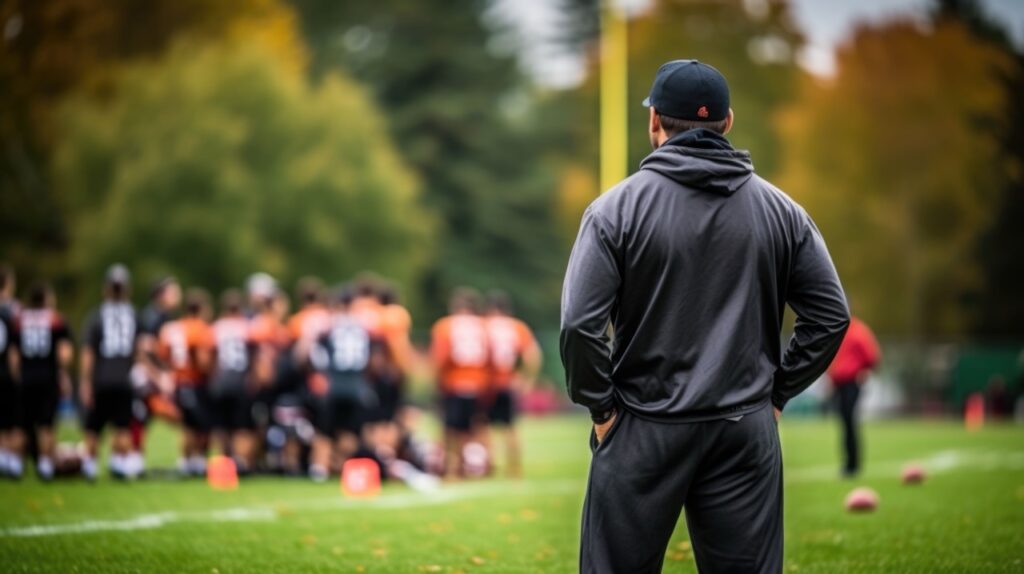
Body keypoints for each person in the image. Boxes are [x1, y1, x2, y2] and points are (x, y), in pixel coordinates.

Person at [560, 60, 850, 573]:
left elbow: (580, 325)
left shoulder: (614, 210)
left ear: (655, 123)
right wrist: (776, 393)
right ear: (728, 121)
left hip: (641, 425)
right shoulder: (784, 211)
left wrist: (602, 410)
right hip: (742, 427)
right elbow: (830, 316)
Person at [79, 264, 141, 480]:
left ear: (106, 288)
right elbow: (139, 350)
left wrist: (85, 381)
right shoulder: (133, 315)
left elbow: (88, 353)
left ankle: (90, 467)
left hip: (102, 377)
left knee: (93, 427)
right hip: (125, 378)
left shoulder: (96, 316)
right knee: (122, 426)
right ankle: (118, 464)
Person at [306, 288, 373, 481]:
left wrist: (321, 373)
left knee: (325, 431)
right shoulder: (363, 326)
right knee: (350, 431)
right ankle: (343, 468)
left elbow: (316, 353)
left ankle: (320, 469)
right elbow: (369, 357)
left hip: (333, 383)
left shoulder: (328, 325)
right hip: (355, 385)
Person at [11, 282, 74, 481]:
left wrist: (18, 377)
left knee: (22, 425)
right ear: (46, 298)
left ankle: (16, 465)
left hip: (27, 378)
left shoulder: (20, 320)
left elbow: (13, 355)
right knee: (47, 425)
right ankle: (46, 466)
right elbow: (63, 353)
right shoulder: (55, 319)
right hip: (48, 378)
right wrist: (62, 373)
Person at [431, 288, 490, 480]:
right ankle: (479, 466)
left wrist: (437, 379)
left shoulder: (445, 326)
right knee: (476, 427)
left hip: (454, 382)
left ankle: (452, 467)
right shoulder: (483, 326)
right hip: (479, 383)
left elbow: (441, 358)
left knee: (451, 428)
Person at [482, 291, 541, 478]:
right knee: (511, 427)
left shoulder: (484, 326)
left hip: (488, 383)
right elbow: (533, 355)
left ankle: (489, 465)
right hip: (509, 382)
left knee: (484, 425)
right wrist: (526, 379)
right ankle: (514, 468)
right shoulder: (517, 327)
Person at [159, 288, 214, 476]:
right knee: (200, 424)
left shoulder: (173, 327)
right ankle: (193, 460)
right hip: (194, 381)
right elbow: (203, 361)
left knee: (188, 424)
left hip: (177, 382)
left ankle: (187, 460)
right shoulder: (200, 328)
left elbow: (163, 356)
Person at [134, 276, 182, 471]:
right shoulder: (151, 317)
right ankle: (133, 459)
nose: (178, 295)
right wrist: (158, 376)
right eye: (173, 291)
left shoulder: (166, 317)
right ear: (161, 295)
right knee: (141, 415)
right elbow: (142, 352)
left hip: (160, 374)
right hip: (146, 374)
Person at [827, 315, 880, 478]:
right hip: (839, 384)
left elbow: (872, 355)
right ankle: (849, 463)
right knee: (844, 421)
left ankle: (853, 464)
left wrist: (865, 370)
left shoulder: (857, 330)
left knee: (849, 420)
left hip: (852, 382)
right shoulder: (835, 328)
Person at [209, 289, 256, 472]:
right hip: (241, 380)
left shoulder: (216, 327)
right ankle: (240, 462)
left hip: (221, 380)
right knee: (241, 425)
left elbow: (209, 358)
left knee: (222, 425)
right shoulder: (247, 327)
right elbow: (254, 355)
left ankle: (224, 463)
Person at [0, 265, 23, 478]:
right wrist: (18, 376)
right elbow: (14, 351)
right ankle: (10, 463)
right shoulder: (12, 311)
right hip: (6, 373)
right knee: (12, 421)